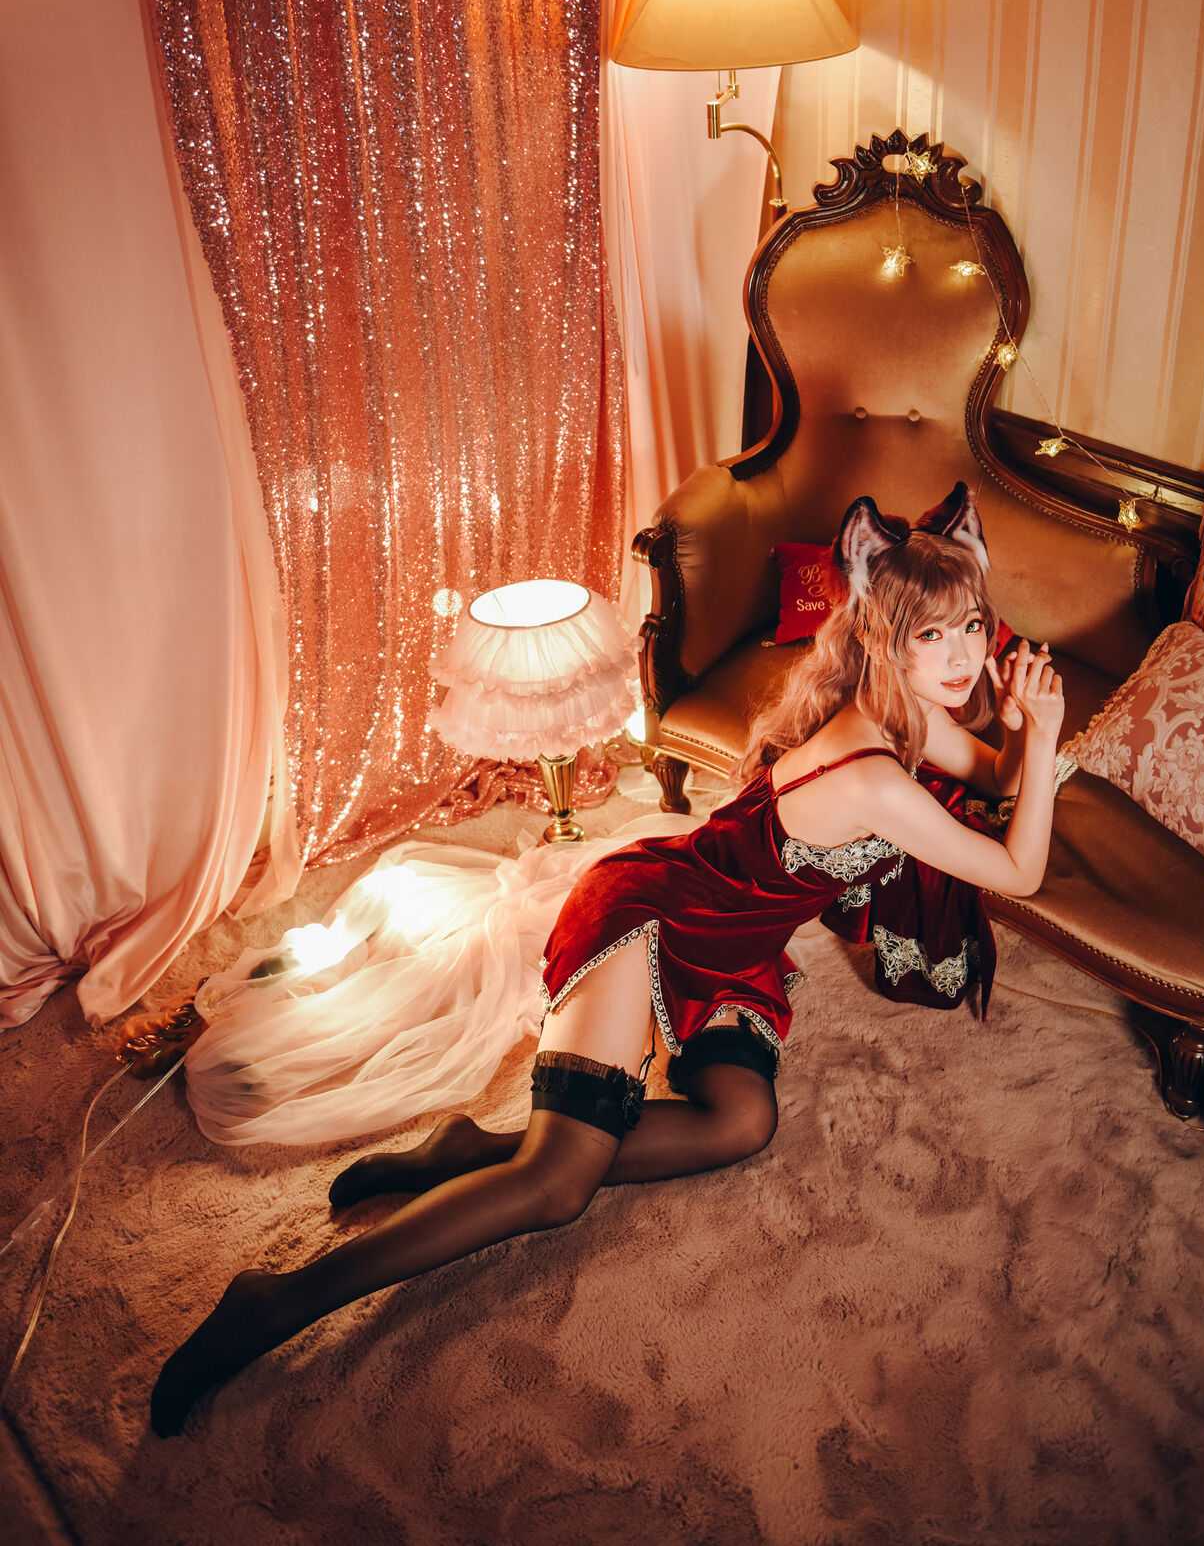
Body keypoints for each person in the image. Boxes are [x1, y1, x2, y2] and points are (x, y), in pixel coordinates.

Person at [150, 481, 1064, 1436]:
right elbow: (1019, 868)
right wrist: (1040, 735)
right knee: (557, 1186)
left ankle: (473, 1149)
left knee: (740, 1123)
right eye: (933, 636)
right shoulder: (873, 775)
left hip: (730, 944)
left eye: (972, 628)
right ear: (882, 636)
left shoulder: (910, 718)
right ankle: (275, 1300)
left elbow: (999, 780)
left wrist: (1022, 737)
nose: (963, 657)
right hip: (654, 921)